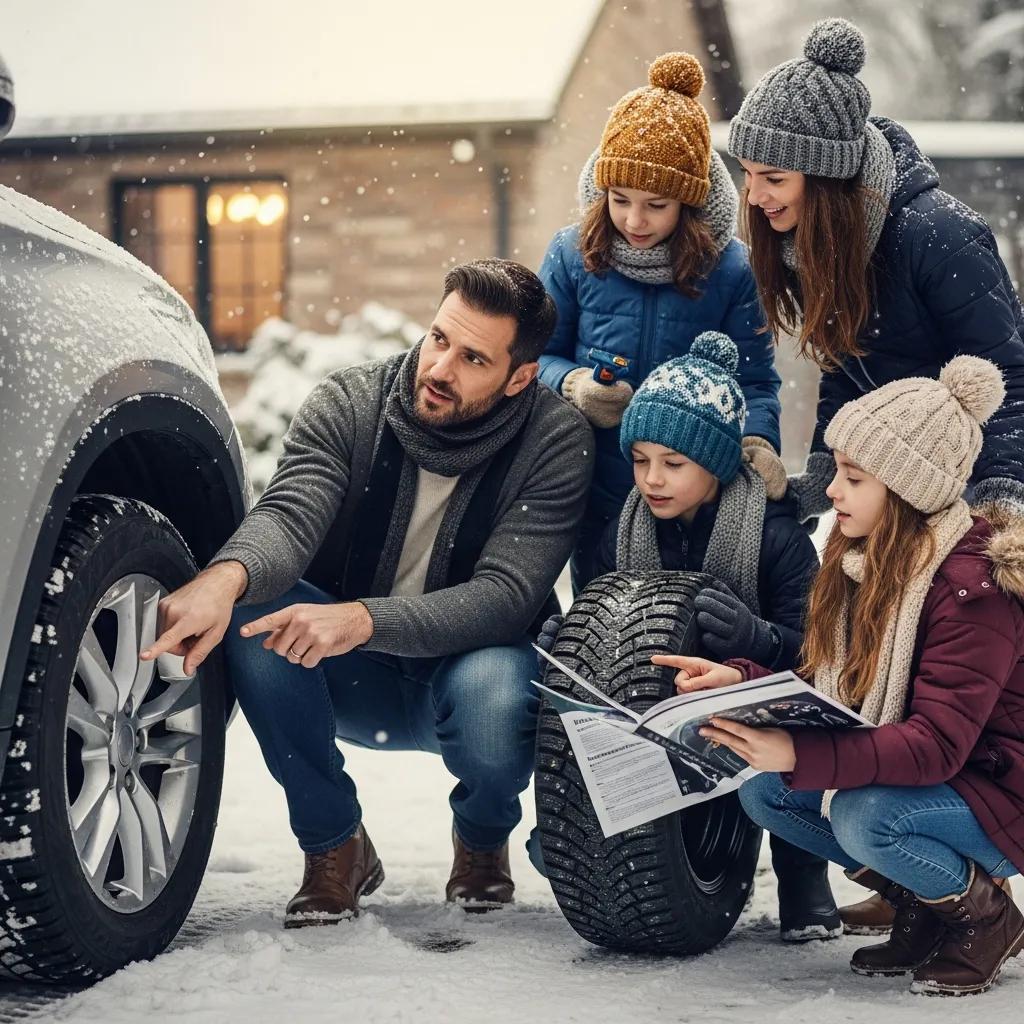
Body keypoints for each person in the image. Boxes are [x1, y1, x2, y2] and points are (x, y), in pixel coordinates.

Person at [141, 259, 594, 925]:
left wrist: (363, 619)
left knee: (499, 699)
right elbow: (289, 514)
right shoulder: (352, 402)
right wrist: (225, 577)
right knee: (255, 613)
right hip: (341, 671)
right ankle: (335, 846)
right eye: (440, 339)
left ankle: (481, 839)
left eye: (474, 358)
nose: (440, 370)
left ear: (520, 377)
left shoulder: (555, 441)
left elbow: (505, 596)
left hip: (469, 671)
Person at [658, 356, 1024, 996]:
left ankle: (984, 917)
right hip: (950, 776)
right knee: (766, 791)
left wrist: (799, 749)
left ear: (906, 489)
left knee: (865, 816)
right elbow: (819, 684)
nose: (831, 490)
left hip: (1004, 789)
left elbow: (935, 745)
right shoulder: (865, 562)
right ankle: (923, 902)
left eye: (854, 478)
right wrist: (736, 680)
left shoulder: (973, 591)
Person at [540, 331, 836, 940]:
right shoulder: (619, 534)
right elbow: (603, 622)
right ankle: (583, 844)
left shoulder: (777, 539)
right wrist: (571, 642)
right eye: (641, 460)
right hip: (655, 700)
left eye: (674, 464)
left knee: (791, 739)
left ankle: (802, 875)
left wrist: (759, 637)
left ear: (718, 463)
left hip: (754, 701)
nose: (652, 479)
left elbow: (821, 653)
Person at [726, 17, 1024, 541]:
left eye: (774, 179)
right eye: (749, 175)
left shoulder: (940, 236)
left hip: (957, 497)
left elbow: (1008, 378)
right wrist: (825, 473)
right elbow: (848, 371)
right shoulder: (819, 242)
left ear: (827, 178)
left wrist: (998, 504)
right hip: (883, 491)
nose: (755, 197)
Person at [537, 51, 782, 592]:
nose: (633, 220)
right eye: (619, 200)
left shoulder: (733, 270)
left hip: (692, 501)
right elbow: (529, 360)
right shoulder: (571, 255)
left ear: (689, 206)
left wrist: (758, 442)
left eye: (656, 205)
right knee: (598, 629)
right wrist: (574, 384)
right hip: (590, 485)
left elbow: (756, 382)